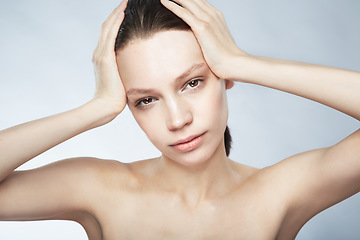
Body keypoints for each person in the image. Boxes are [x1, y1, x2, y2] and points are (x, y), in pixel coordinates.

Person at [0, 0, 359, 239]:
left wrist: (243, 63)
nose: (177, 119)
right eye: (146, 100)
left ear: (224, 76)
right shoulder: (98, 190)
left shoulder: (279, 193)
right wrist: (96, 109)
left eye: (192, 82)